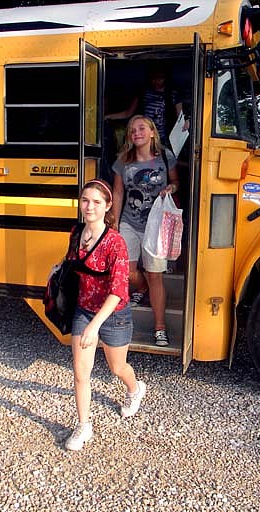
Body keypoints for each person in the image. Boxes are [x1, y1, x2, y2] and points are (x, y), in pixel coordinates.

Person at [65, 179, 147, 452]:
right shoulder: (76, 234)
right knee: (80, 372)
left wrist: (95, 327)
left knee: (116, 368)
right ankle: (83, 425)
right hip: (84, 309)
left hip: (113, 314)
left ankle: (135, 389)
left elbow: (118, 290)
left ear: (108, 206)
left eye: (96, 202)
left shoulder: (116, 243)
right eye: (85, 200)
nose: (89, 207)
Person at [111, 115, 180, 347]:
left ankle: (159, 327)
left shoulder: (165, 156)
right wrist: (115, 221)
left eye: (141, 128)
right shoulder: (123, 161)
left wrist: (171, 187)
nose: (136, 132)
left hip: (156, 224)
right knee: (127, 270)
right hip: (130, 222)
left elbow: (176, 182)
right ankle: (140, 288)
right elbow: (118, 192)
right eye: (132, 130)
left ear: (152, 132)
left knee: (155, 275)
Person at [105, 67, 188, 147]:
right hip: (144, 138)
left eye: (160, 78)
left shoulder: (172, 95)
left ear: (166, 78)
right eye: (154, 78)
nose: (157, 81)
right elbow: (128, 113)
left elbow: (180, 117)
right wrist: (108, 116)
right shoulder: (144, 93)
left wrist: (187, 121)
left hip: (164, 140)